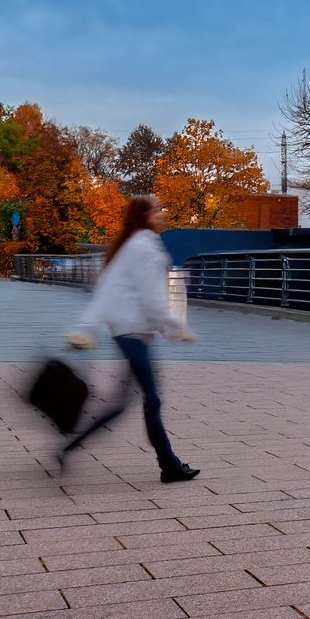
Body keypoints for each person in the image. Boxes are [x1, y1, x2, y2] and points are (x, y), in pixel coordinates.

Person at [59, 196, 201, 483]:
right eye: (158, 210)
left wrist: (88, 326)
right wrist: (176, 328)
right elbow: (153, 300)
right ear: (146, 216)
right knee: (151, 399)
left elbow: (106, 289)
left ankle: (70, 447)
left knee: (124, 404)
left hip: (126, 332)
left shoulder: (129, 246)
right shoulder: (145, 248)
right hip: (133, 333)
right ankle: (169, 465)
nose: (162, 215)